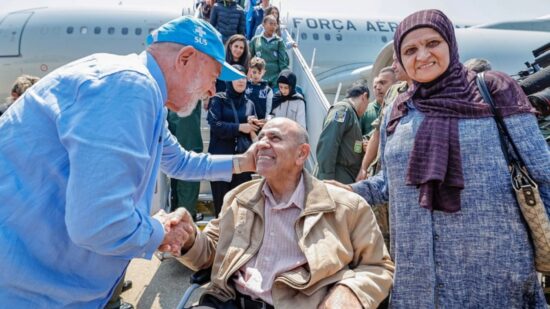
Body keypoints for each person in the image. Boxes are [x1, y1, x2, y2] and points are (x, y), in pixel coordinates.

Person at [0, 16, 258, 308]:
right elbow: (99, 223)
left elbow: (180, 162)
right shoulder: (130, 87)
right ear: (185, 58)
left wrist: (244, 162)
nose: (212, 91)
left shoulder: (142, 92)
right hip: (27, 292)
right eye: (212, 77)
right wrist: (161, 231)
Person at [330, 9, 550, 307]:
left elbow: (543, 172)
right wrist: (350, 191)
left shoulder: (493, 91)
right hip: (418, 278)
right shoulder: (399, 109)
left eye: (432, 43)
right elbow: (388, 183)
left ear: (450, 43)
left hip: (495, 273)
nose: (422, 55)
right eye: (410, 49)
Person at [176, 117, 394, 308]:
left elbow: (378, 267)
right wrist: (189, 239)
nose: (261, 144)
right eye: (260, 137)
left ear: (301, 154)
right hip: (228, 300)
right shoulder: (238, 198)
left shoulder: (347, 207)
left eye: (275, 138)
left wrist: (350, 292)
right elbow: (210, 254)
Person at [208, 64, 258, 217]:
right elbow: (215, 125)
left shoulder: (250, 104)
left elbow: (253, 131)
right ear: (229, 80)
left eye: (243, 77)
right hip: (220, 160)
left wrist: (255, 125)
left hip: (242, 161)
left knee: (241, 208)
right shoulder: (218, 99)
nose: (241, 81)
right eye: (236, 78)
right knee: (222, 207)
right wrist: (240, 127)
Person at [316, 83, 370, 184]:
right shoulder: (343, 110)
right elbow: (329, 141)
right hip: (335, 178)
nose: (366, 109)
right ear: (364, 97)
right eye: (367, 103)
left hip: (344, 178)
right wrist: (326, 177)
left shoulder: (353, 116)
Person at [167, 104, 204, 219]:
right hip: (185, 109)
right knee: (190, 163)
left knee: (178, 162)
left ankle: (179, 212)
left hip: (176, 108)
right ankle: (185, 216)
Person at [249, 14, 289, 86]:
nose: (273, 27)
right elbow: (249, 59)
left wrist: (286, 77)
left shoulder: (279, 41)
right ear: (263, 25)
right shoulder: (255, 40)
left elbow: (283, 62)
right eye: (270, 24)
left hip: (275, 80)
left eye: (275, 24)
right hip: (258, 79)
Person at [359, 67, 396, 137]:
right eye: (375, 86)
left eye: (383, 83)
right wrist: (361, 146)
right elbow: (356, 138)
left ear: (396, 84)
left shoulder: (402, 108)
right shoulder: (365, 111)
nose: (378, 88)